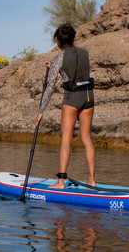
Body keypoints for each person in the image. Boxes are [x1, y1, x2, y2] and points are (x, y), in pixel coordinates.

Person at [35, 23, 96, 189]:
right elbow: (75, 67)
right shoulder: (85, 52)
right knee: (86, 138)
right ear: (72, 38)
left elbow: (50, 87)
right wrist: (54, 67)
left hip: (72, 98)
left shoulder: (58, 59)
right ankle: (91, 180)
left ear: (58, 40)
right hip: (88, 97)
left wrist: (41, 111)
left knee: (66, 140)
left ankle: (61, 181)